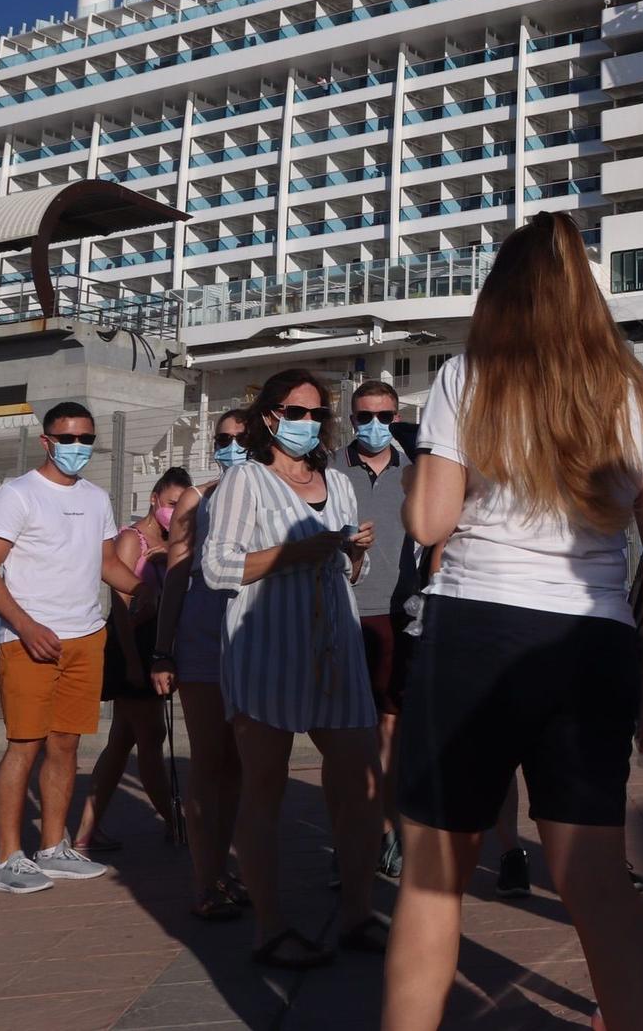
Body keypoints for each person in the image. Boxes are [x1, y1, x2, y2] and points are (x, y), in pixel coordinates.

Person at [385, 212, 643, 1031]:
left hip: (476, 629)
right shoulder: (635, 391)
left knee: (434, 875)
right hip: (591, 639)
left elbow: (428, 523)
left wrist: (424, 460)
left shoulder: (467, 375)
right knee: (594, 882)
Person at [201, 370, 383, 968]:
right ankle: (272, 927)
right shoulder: (245, 482)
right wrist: (292, 553)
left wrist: (353, 556)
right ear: (270, 417)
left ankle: (358, 914)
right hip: (267, 646)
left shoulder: (338, 482)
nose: (308, 423)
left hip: (335, 644)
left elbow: (347, 572)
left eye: (316, 413)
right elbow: (218, 568)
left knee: (360, 778)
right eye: (296, 411)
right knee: (265, 785)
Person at [0, 400, 145, 894]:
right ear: (46, 441)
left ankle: (53, 847)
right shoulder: (18, 494)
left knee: (66, 744)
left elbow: (105, 562)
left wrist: (144, 586)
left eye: (85, 440)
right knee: (23, 746)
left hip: (86, 637)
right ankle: (8, 858)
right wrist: (26, 627)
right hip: (30, 641)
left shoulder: (95, 498)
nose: (76, 448)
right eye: (67, 439)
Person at [151, 411, 253, 921]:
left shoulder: (273, 492)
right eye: (223, 439)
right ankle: (204, 880)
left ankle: (222, 868)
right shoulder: (197, 498)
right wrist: (162, 649)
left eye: (241, 438)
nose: (231, 446)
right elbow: (175, 577)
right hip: (203, 641)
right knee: (209, 762)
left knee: (237, 766)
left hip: (254, 639)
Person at [74, 467, 191, 854]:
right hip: (133, 647)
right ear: (155, 499)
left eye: (182, 507)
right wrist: (132, 663)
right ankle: (178, 824)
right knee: (152, 740)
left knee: (121, 742)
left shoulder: (172, 544)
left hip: (153, 646)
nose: (176, 514)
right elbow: (120, 609)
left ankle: (86, 832)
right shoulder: (132, 539)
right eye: (171, 504)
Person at [343, 379, 422, 881]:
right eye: (364, 417)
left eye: (385, 416)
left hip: (401, 611)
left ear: (397, 417)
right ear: (351, 419)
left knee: (392, 728)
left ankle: (389, 832)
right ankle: (356, 833)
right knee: (351, 732)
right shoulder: (329, 467)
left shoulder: (416, 470)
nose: (375, 426)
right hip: (346, 609)